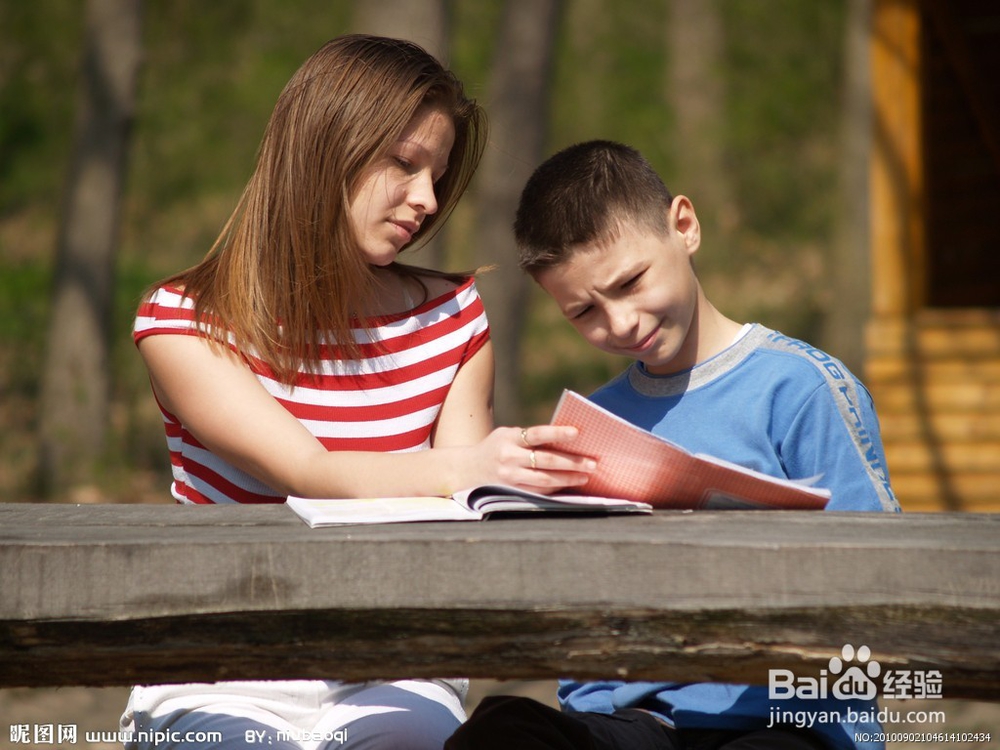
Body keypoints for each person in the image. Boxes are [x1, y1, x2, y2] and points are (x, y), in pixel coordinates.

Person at [120, 35, 594, 750]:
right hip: (219, 664)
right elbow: (310, 473)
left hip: (397, 665)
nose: (426, 200)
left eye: (436, 174)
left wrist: (535, 483)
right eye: (403, 164)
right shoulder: (184, 321)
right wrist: (469, 467)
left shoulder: (453, 317)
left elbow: (467, 515)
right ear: (324, 147)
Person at [445, 140, 901, 750]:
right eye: (584, 312)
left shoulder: (800, 389)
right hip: (643, 722)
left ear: (683, 227)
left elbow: (883, 585)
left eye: (632, 282)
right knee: (502, 732)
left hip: (788, 721)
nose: (621, 323)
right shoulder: (595, 422)